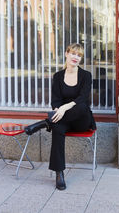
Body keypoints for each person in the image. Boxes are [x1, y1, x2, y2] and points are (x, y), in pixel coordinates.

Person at [24, 43, 96, 190]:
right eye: (73, 53)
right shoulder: (57, 76)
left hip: (81, 120)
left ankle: (45, 123)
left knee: (81, 106)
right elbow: (55, 100)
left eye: (79, 55)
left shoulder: (86, 76)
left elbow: (83, 99)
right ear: (66, 54)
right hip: (64, 119)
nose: (76, 57)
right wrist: (58, 109)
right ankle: (59, 173)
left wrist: (63, 108)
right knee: (57, 128)